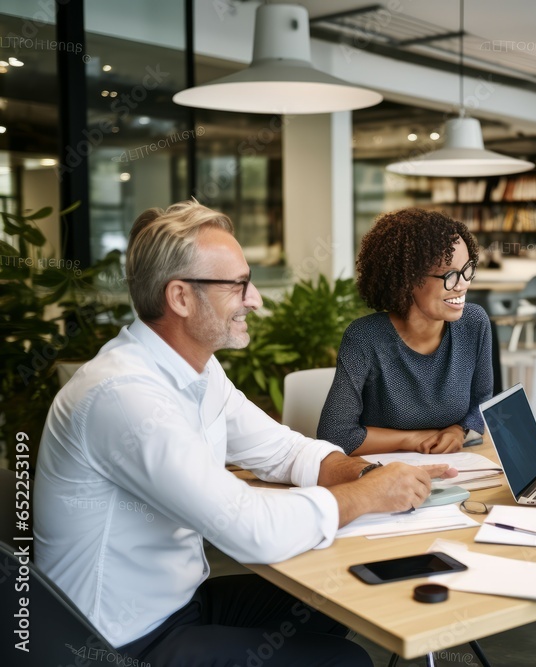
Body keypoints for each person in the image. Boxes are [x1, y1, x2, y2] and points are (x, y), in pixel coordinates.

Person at [34, 201, 454, 667]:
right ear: (180, 297)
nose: (255, 299)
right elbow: (250, 529)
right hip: (112, 643)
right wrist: (370, 495)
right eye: (238, 285)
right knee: (345, 662)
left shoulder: (197, 370)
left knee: (332, 602)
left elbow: (282, 449)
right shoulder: (123, 395)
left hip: (177, 605)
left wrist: (365, 473)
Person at [317, 208, 493, 456]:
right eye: (450, 275)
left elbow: (482, 401)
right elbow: (335, 435)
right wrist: (415, 439)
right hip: (384, 474)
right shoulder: (364, 338)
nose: (463, 284)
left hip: (457, 467)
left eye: (467, 270)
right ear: (407, 279)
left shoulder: (474, 323)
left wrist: (458, 430)